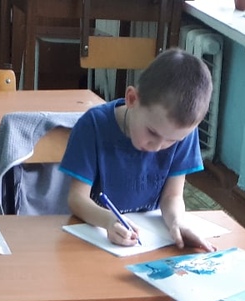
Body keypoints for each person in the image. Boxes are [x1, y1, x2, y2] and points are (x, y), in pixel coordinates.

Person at [59, 48, 214, 251]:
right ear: (132, 99)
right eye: (152, 132)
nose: (157, 147)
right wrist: (109, 220)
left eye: (172, 141)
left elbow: (172, 196)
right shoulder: (93, 126)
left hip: (148, 242)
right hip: (95, 236)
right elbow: (77, 199)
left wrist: (177, 222)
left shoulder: (182, 133)